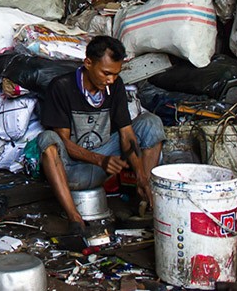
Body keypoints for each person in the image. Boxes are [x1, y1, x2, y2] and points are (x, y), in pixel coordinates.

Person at [37, 35, 165, 235]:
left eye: (115, 74)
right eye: (106, 73)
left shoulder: (115, 86)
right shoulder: (61, 87)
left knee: (150, 123)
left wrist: (141, 176)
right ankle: (75, 220)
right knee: (47, 139)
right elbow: (64, 142)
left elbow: (126, 134)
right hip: (72, 170)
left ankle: (146, 199)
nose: (111, 79)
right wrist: (100, 159)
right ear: (88, 63)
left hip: (104, 164)